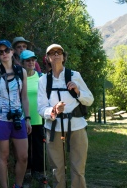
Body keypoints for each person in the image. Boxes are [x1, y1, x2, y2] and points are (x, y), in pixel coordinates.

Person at [37, 44, 94, 188]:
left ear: (63, 56)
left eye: (59, 52)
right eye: (52, 53)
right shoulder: (43, 80)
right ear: (47, 58)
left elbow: (89, 99)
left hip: (77, 126)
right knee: (57, 170)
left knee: (78, 169)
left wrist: (78, 91)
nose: (56, 54)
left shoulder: (74, 75)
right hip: (53, 128)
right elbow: (41, 108)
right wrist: (54, 110)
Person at [0, 40, 32, 188]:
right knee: (4, 156)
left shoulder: (21, 72)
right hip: (0, 119)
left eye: (6, 50)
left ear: (12, 51)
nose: (4, 53)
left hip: (18, 117)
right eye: (0, 52)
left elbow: (24, 97)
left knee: (23, 156)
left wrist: (28, 118)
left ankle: (17, 185)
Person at [20, 50, 46, 183]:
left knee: (38, 147)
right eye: (28, 60)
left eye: (33, 60)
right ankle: (26, 171)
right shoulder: (19, 77)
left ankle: (39, 171)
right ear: (22, 62)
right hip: (23, 119)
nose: (31, 62)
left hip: (39, 118)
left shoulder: (41, 77)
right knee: (24, 147)